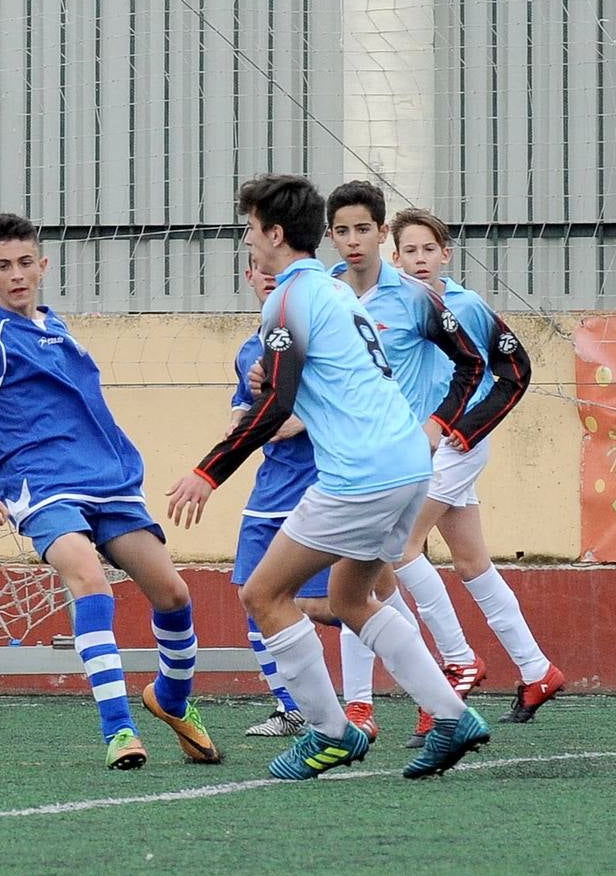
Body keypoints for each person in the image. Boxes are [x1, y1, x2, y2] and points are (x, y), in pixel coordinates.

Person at [168, 174, 489, 781]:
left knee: (263, 595)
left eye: (250, 228)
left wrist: (207, 472)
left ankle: (329, 732)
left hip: (360, 475)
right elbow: (308, 378)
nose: (247, 239)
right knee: (349, 598)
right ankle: (452, 715)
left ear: (275, 233)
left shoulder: (287, 300)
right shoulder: (337, 293)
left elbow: (278, 403)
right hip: (408, 467)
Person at [0, 211, 221, 770]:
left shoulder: (57, 326)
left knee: (174, 594)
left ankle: (171, 700)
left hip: (109, 482)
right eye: (2, 266)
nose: (16, 275)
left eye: (24, 263)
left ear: (42, 265)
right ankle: (118, 731)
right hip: (39, 486)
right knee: (88, 577)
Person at [324, 180, 491, 742]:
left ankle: (398, 698)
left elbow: (474, 365)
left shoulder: (416, 298)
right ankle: (433, 687)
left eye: (363, 230)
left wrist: (441, 426)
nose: (353, 241)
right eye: (342, 231)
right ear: (329, 237)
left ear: (381, 236)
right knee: (366, 585)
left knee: (366, 581)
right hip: (344, 459)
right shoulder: (327, 293)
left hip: (399, 465)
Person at [390, 207, 563, 740]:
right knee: (471, 561)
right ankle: (537, 670)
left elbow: (515, 371)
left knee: (399, 549)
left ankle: (457, 661)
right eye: (409, 251)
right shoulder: (385, 303)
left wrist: (465, 429)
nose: (419, 260)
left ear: (446, 254)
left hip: (454, 446)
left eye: (428, 249)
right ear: (394, 257)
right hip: (409, 448)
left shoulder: (468, 306)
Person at [231, 259, 378, 741]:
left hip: (317, 485)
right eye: (257, 269)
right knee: (252, 596)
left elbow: (347, 402)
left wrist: (305, 418)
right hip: (268, 489)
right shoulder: (249, 350)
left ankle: (396, 643)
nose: (268, 275)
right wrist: (243, 423)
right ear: (249, 278)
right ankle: (292, 706)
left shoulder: (317, 336)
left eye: (275, 267)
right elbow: (243, 412)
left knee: (323, 606)